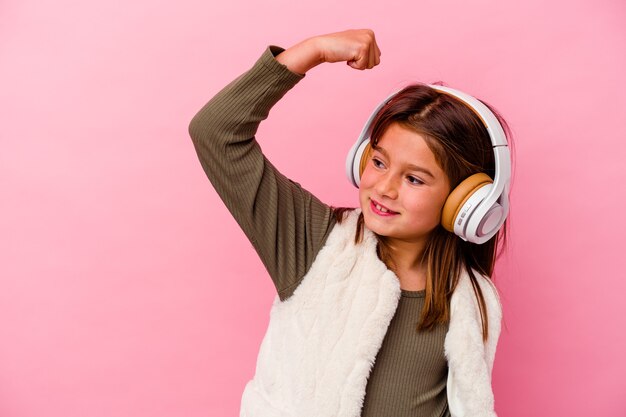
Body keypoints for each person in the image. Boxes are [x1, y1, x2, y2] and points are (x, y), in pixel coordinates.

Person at [188, 28, 512, 417]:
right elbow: (216, 133)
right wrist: (314, 51)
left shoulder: (472, 301)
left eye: (414, 178)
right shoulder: (314, 242)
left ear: (465, 202)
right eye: (378, 162)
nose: (385, 188)